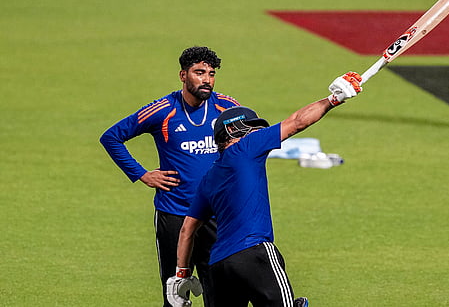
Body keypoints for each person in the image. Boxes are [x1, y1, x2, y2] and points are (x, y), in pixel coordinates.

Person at [166, 72, 363, 307]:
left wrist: (181, 275)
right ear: (234, 131)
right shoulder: (246, 147)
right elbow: (297, 122)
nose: (256, 133)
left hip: (219, 266)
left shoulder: (208, 179)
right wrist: (333, 100)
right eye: (251, 128)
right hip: (254, 252)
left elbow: (187, 229)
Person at [99, 46, 240, 307]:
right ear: (183, 75)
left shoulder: (228, 108)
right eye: (199, 72)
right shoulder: (163, 110)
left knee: (219, 292)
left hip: (216, 215)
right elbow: (112, 137)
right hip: (174, 214)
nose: (206, 79)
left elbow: (248, 147)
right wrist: (141, 174)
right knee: (175, 294)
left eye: (211, 73)